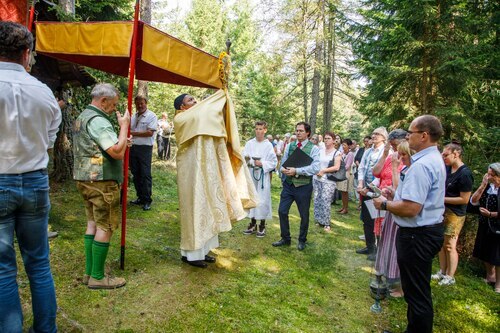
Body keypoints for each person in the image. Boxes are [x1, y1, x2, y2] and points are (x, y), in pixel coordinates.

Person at [0, 21, 61, 333]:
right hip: (35, 181)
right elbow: (48, 140)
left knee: (2, 270)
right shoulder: (44, 93)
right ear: (26, 53)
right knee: (39, 264)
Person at [373, 115, 445, 333]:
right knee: (416, 290)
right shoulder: (431, 159)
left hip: (417, 235)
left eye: (411, 132)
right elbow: (418, 198)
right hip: (424, 232)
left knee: (417, 293)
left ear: (424, 135)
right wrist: (396, 194)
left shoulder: (422, 165)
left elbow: (412, 208)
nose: (407, 136)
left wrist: (385, 204)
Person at [173, 92, 258, 268]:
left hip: (203, 169)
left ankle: (203, 251)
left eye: (195, 99)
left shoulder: (194, 115)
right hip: (191, 171)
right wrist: (220, 95)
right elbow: (204, 112)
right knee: (196, 207)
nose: (195, 101)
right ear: (182, 107)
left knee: (208, 205)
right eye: (190, 100)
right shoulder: (181, 119)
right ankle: (191, 255)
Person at [73, 83, 130, 290]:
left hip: (84, 178)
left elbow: (97, 145)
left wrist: (123, 140)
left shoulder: (83, 116)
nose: (115, 109)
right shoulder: (99, 120)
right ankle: (98, 276)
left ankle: (90, 273)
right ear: (103, 100)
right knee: (105, 226)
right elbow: (116, 152)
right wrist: (124, 127)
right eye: (113, 104)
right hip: (101, 181)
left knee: (92, 224)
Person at [272, 122, 320, 251]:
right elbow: (283, 162)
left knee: (304, 215)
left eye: (301, 131)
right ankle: (285, 238)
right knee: (282, 211)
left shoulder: (314, 149)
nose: (298, 133)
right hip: (288, 184)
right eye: (297, 130)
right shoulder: (290, 146)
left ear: (307, 133)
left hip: (304, 186)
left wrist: (297, 171)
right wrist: (282, 169)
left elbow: (315, 168)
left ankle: (302, 240)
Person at [374, 140, 413, 298]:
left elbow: (406, 197)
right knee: (390, 245)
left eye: (403, 154)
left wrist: (396, 168)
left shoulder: (411, 170)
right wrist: (391, 192)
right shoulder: (408, 169)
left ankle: (403, 288)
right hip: (393, 209)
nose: (400, 157)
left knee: (400, 251)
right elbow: (399, 191)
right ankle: (392, 279)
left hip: (402, 215)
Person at [432, 142, 473, 286]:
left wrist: (441, 198)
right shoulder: (447, 169)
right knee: (441, 244)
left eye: (445, 155)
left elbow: (465, 199)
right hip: (442, 211)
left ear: (456, 154)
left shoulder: (465, 173)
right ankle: (442, 272)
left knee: (450, 245)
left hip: (455, 214)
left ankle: (450, 276)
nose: (443, 157)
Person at [356, 127, 388, 257]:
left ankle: (378, 250)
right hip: (364, 190)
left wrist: (368, 187)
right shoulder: (368, 151)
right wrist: (360, 183)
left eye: (378, 134)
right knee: (366, 218)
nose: (374, 136)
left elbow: (381, 172)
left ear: (384, 137)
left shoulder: (386, 152)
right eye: (373, 133)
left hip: (377, 191)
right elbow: (362, 167)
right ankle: (369, 246)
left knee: (377, 219)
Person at [242, 121, 278, 237]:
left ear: (265, 130)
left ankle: (262, 224)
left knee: (262, 199)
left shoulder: (268, 145)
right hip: (252, 175)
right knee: (252, 198)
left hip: (263, 176)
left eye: (260, 129)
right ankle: (252, 223)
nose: (258, 131)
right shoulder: (249, 143)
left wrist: (262, 163)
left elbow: (273, 162)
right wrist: (250, 161)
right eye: (256, 129)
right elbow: (244, 158)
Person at [470, 163, 500, 293]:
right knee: (484, 249)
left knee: (497, 255)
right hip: (484, 224)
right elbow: (473, 201)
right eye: (488, 174)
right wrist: (482, 185)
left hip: (498, 226)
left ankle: (499, 284)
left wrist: (491, 214)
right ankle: (490, 276)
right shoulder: (487, 186)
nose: (489, 177)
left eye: (492, 175)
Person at [129, 95, 158, 211]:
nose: (140, 106)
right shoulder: (134, 116)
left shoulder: (152, 116)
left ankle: (147, 200)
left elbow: (150, 133)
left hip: (145, 148)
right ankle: (140, 197)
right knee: (136, 173)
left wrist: (133, 133)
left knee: (145, 174)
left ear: (146, 103)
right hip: (133, 147)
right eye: (138, 104)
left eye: (142, 103)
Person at [313, 132, 341, 232]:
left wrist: (324, 170)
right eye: (325, 138)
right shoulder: (320, 151)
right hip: (316, 178)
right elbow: (315, 162)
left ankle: (326, 222)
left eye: (329, 138)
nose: (326, 140)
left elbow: (336, 167)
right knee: (317, 199)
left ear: (334, 140)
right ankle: (318, 220)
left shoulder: (336, 153)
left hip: (328, 180)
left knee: (325, 200)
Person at [337, 139, 354, 215]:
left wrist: (339, 167)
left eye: (345, 145)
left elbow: (347, 166)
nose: (343, 146)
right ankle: (343, 207)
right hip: (342, 173)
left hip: (347, 174)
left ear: (349, 146)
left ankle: (346, 208)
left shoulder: (350, 154)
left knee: (345, 191)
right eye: (342, 145)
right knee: (342, 191)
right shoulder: (342, 153)